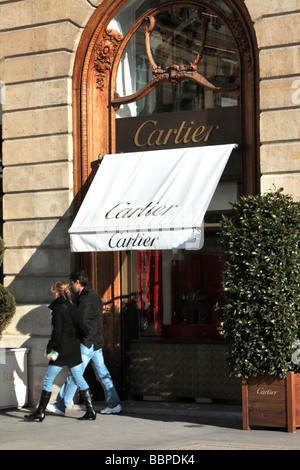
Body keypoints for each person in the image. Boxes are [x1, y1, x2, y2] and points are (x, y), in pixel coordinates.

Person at [47, 270, 122, 416]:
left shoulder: (85, 298)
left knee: (75, 375)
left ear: (77, 282)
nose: (71, 286)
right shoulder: (93, 295)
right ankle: (114, 403)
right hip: (96, 342)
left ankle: (61, 405)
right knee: (102, 374)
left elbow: (80, 321)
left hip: (87, 343)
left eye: (71, 283)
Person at [24, 281, 96, 422]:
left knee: (47, 379)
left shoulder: (58, 308)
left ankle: (40, 412)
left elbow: (56, 332)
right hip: (74, 348)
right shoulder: (72, 306)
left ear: (56, 293)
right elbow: (82, 327)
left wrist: (50, 348)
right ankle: (91, 411)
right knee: (79, 378)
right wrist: (80, 339)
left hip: (61, 350)